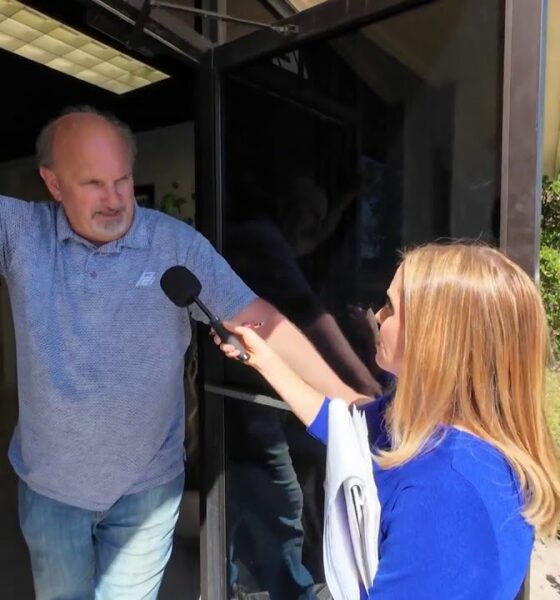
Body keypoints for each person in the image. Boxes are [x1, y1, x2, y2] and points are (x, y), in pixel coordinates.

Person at [0, 105, 367, 599]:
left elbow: (259, 318)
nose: (114, 200)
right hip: (52, 491)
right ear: (53, 183)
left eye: (123, 180)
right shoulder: (22, 234)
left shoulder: (173, 245)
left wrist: (351, 402)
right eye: (92, 184)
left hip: (146, 489)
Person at [219, 243, 560, 599]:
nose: (377, 316)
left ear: (435, 337)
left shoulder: (448, 495)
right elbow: (344, 425)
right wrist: (264, 359)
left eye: (391, 307)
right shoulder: (421, 424)